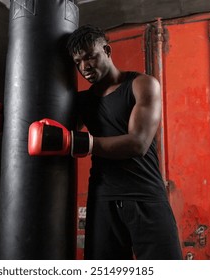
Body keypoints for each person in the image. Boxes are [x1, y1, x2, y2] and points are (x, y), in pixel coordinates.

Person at [65, 24, 183, 260]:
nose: (85, 66)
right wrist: (9, 118)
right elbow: (52, 130)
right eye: (78, 62)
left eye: (90, 57)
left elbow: (138, 143)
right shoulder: (83, 102)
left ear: (107, 51)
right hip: (103, 199)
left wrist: (83, 143)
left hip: (145, 195)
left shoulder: (141, 85)